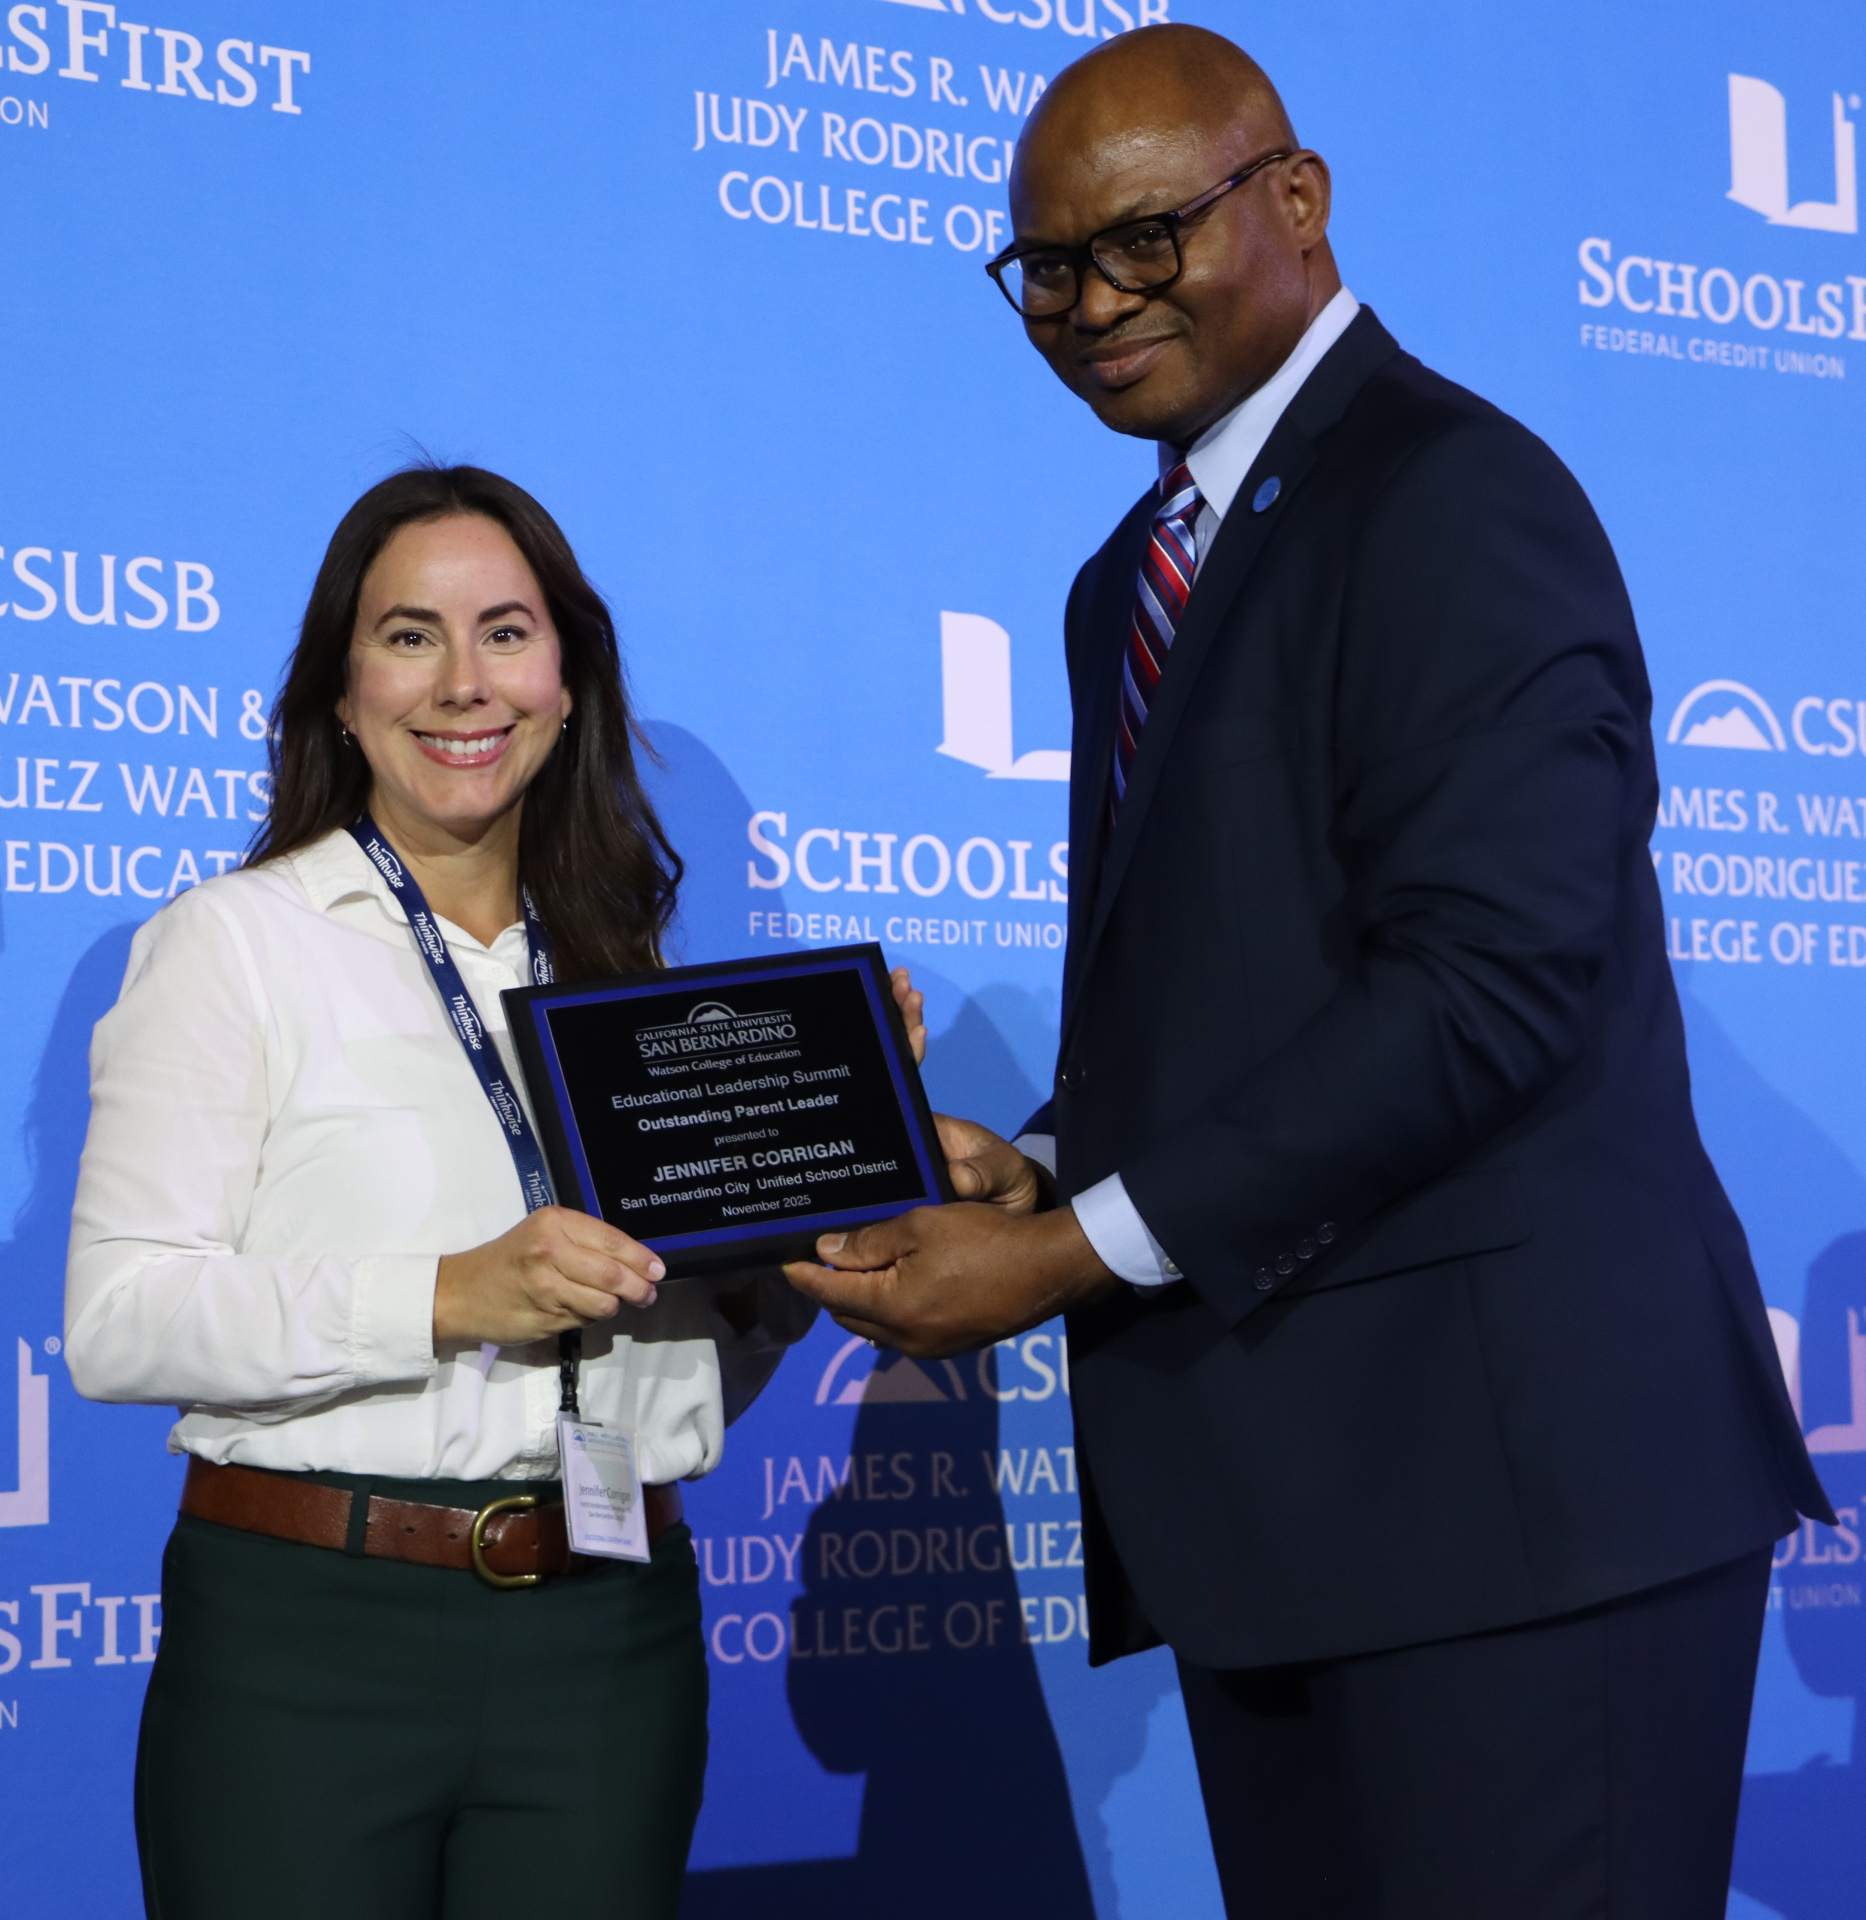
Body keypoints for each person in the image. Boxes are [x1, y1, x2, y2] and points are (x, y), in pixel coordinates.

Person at [787, 27, 1831, 1919]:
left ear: (1294, 200)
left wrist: (1062, 1253)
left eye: (1144, 237)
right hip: (1280, 1514)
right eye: (1044, 265)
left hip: (1516, 1520)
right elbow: (1244, 991)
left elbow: (1488, 990)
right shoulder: (1129, 575)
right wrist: (1040, 1161)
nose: (1092, 302)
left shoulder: (1453, 495)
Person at [65, 464, 921, 1919]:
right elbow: (120, 1319)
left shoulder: (627, 994)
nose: (464, 684)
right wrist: (457, 1293)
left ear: (570, 681)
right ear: (339, 690)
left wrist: (825, 1194)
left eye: (507, 634)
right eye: (409, 636)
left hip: (609, 1631)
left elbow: (680, 1374)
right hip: (309, 1641)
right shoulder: (236, 944)